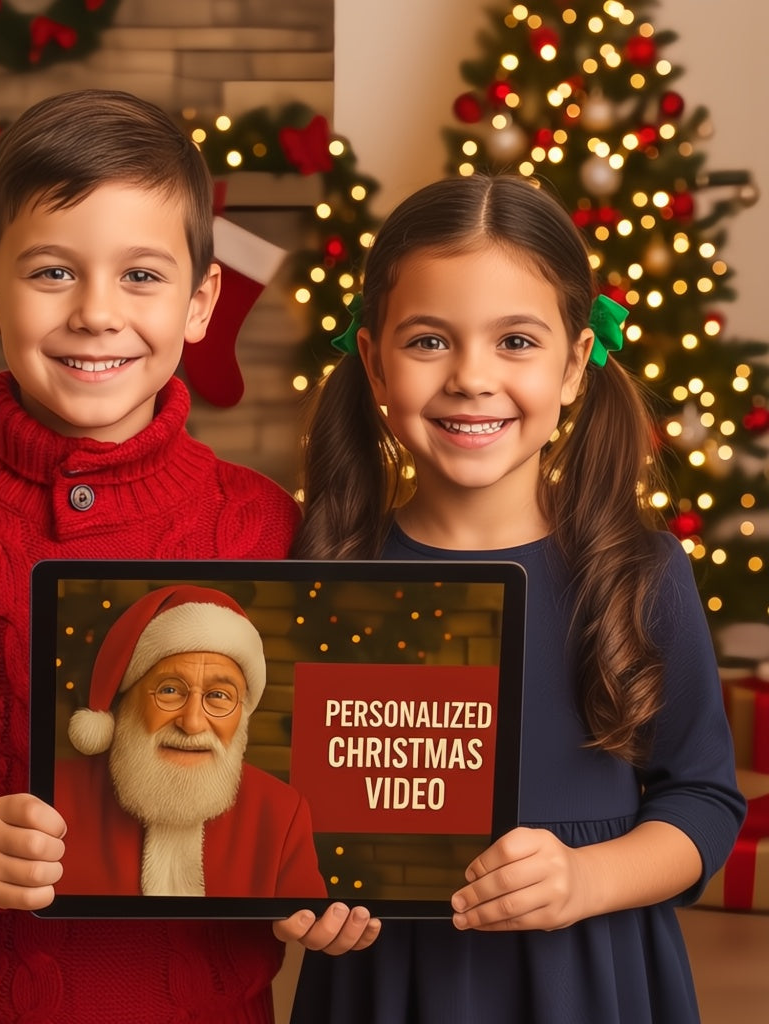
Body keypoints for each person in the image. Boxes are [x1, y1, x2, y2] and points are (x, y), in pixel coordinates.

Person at [0, 88, 378, 1024]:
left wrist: (337, 889)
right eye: (53, 273)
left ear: (200, 303)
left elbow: (318, 784)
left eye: (141, 276)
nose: (97, 314)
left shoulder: (265, 526)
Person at [288, 173, 746, 1023]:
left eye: (516, 342)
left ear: (575, 364)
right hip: (386, 983)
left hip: (591, 979)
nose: (470, 377)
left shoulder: (641, 573)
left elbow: (704, 799)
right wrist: (289, 888)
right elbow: (274, 807)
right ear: (374, 363)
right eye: (428, 341)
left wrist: (587, 878)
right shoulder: (322, 571)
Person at [55, 584, 327, 898]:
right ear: (125, 702)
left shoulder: (281, 812)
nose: (193, 723)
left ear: (242, 715)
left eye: (218, 696)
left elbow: (310, 931)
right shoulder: (53, 796)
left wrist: (327, 938)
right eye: (170, 691)